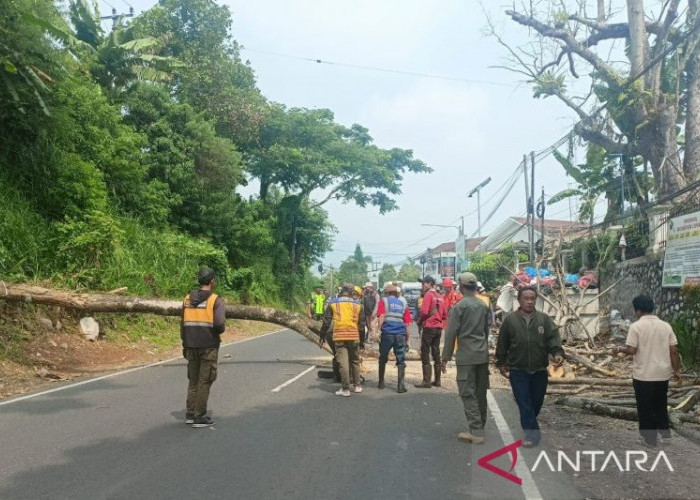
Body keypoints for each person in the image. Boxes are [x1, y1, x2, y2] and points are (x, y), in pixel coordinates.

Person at [495, 286, 564, 447]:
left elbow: (553, 339)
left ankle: (530, 424)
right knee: (524, 403)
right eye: (526, 298)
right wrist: (501, 362)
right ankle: (532, 435)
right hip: (518, 369)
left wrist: (557, 353)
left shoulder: (544, 320)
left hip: (539, 369)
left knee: (536, 402)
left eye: (532, 298)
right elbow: (502, 343)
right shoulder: (510, 320)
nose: (529, 301)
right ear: (519, 300)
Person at [611, 295, 680, 447]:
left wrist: (618, 349)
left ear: (637, 310)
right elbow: (673, 351)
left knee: (645, 407)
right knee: (661, 404)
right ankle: (665, 436)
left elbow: (632, 350)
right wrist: (677, 371)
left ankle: (650, 440)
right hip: (662, 374)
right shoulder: (666, 326)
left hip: (643, 375)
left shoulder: (636, 327)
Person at [441, 272, 490, 443]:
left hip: (467, 356)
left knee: (467, 393)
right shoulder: (483, 305)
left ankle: (476, 432)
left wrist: (445, 358)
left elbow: (450, 334)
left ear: (461, 286)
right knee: (480, 392)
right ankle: (480, 426)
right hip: (482, 355)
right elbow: (486, 331)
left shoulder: (459, 307)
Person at [181, 268, 226, 428]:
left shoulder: (187, 299)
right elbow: (220, 324)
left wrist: (184, 344)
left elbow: (183, 323)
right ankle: (199, 416)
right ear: (212, 281)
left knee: (193, 380)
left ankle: (190, 414)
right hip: (208, 346)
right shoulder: (216, 300)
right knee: (204, 380)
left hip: (190, 344)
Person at [319, 283, 366, 397]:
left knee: (343, 362)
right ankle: (357, 386)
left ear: (341, 291)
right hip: (354, 336)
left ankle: (345, 389)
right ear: (351, 293)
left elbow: (326, 321)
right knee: (354, 361)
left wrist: (322, 335)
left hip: (339, 336)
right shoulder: (358, 304)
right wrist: (362, 340)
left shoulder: (333, 303)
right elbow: (361, 325)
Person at [376, 284, 412, 393]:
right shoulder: (402, 304)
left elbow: (381, 316)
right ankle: (400, 386)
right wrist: (408, 339)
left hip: (387, 333)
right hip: (400, 334)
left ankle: (381, 382)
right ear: (396, 294)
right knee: (400, 359)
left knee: (383, 357)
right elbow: (407, 322)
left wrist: (378, 330)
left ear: (386, 293)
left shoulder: (384, 301)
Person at [415, 276, 447, 388]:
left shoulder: (428, 295)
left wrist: (419, 321)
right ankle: (437, 381)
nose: (422, 286)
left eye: (423, 284)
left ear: (429, 284)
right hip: (438, 327)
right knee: (436, 352)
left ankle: (426, 381)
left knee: (425, 352)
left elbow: (424, 312)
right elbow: (444, 315)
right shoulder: (440, 296)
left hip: (429, 327)